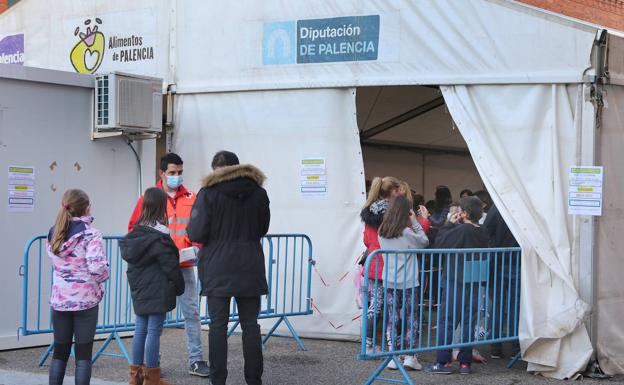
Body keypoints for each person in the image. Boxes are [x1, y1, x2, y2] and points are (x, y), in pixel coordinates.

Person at [187, 151, 270, 385]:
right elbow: (262, 228)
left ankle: (218, 380)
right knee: (251, 325)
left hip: (217, 266)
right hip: (250, 265)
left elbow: (196, 232)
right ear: (238, 166)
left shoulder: (208, 193)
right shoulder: (259, 192)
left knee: (217, 327)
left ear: (216, 169)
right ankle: (254, 380)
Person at [128, 153, 209, 377]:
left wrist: (196, 247)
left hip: (183, 265)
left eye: (180, 172)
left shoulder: (192, 197)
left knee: (191, 313)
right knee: (153, 320)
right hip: (156, 268)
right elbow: (134, 229)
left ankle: (196, 360)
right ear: (161, 173)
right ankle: (151, 363)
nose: (177, 177)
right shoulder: (149, 197)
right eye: (172, 173)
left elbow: (200, 228)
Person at [121, 187, 185, 385]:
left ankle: (136, 376)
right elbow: (171, 267)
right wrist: (179, 286)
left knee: (140, 328)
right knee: (154, 331)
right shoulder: (160, 238)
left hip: (139, 288)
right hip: (158, 289)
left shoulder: (135, 236)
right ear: (160, 207)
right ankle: (152, 378)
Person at [47, 189, 110, 385]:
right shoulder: (91, 234)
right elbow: (97, 267)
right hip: (85, 302)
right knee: (83, 357)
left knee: (59, 353)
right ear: (87, 208)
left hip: (60, 302)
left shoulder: (54, 233)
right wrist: (104, 274)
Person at [426, 196, 489, 375]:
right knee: (469, 322)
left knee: (447, 320)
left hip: (457, 280)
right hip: (475, 281)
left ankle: (443, 362)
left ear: (465, 213)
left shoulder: (463, 230)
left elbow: (440, 245)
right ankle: (464, 363)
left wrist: (448, 224)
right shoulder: (482, 231)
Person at [378, 195, 429, 371]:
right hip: (408, 280)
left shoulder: (382, 231)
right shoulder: (406, 232)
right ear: (405, 212)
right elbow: (424, 242)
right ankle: (410, 356)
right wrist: (415, 222)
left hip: (389, 280)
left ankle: (393, 355)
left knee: (393, 318)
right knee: (410, 317)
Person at [359, 176, 401, 354]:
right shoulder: (392, 213)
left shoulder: (370, 212)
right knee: (388, 306)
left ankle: (367, 344)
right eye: (398, 190)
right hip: (387, 264)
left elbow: (366, 240)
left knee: (374, 305)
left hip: (372, 263)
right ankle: (384, 345)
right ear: (391, 192)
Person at [483, 204, 520, 359]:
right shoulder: (522, 205)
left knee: (498, 304)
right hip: (517, 261)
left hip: (498, 261)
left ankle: (496, 345)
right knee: (515, 305)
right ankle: (515, 344)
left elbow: (486, 231)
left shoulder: (496, 207)